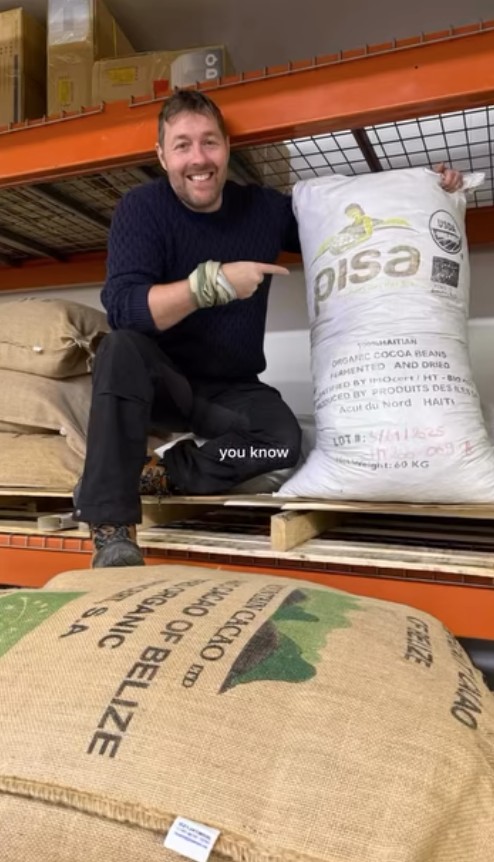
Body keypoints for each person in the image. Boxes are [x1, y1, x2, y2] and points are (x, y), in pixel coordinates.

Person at [74, 89, 463, 568]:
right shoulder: (142, 208)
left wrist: (425, 186)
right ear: (162, 155)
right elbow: (124, 309)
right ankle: (112, 529)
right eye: (182, 145)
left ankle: (158, 474)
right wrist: (211, 285)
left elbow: (342, 213)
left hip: (230, 387)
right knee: (119, 346)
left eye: (209, 142)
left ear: (227, 147)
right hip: (159, 382)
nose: (198, 159)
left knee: (281, 442)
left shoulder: (261, 209)